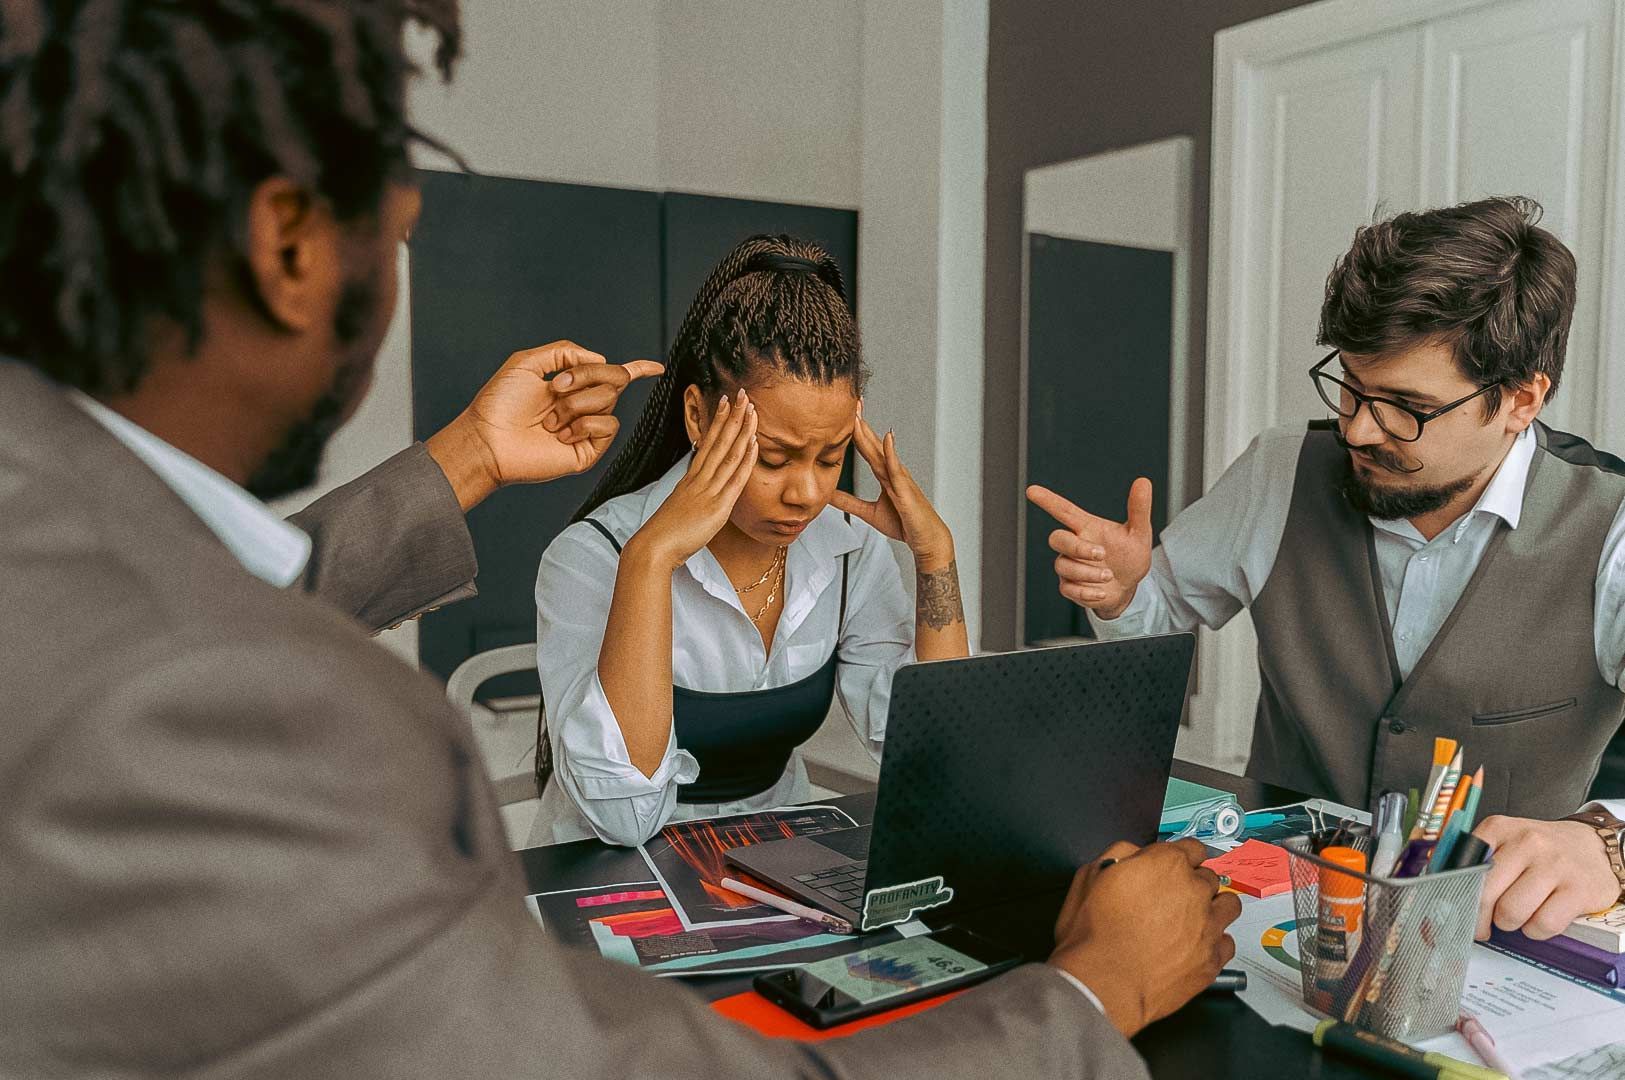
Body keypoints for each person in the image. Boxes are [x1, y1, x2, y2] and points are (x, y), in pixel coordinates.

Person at [0, 3, 1239, 1078]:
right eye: (403, 206)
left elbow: (197, 597)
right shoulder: (216, 713)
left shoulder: (62, 556)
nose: (806, 490)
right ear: (288, 247)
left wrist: (475, 455)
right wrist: (1089, 998)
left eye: (828, 455)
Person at [1029, 196, 1625, 944]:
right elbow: (1155, 617)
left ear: (1519, 400)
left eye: (1406, 406)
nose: (1356, 428)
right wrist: (1122, 593)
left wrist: (1606, 842)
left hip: (1495, 942)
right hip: (1269, 914)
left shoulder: (1611, 529)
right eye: (1349, 385)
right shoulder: (1280, 471)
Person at [530, 235, 967, 846]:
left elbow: (935, 757)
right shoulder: (593, 556)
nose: (806, 494)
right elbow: (622, 818)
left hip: (773, 855)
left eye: (830, 458)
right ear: (699, 418)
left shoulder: (848, 554)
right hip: (614, 873)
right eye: (773, 458)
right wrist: (651, 561)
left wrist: (935, 558)